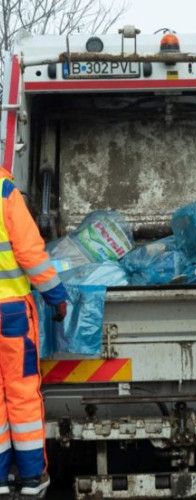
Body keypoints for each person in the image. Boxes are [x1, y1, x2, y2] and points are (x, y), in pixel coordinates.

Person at [0, 165, 68, 496]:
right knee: (22, 392)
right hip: (10, 313)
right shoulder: (3, 191)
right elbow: (29, 253)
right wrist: (56, 294)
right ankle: (30, 477)